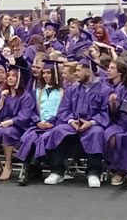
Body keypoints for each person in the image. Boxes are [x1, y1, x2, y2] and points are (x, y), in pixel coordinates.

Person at [38, 56, 110, 188]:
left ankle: (93, 173)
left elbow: (105, 112)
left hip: (92, 125)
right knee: (58, 131)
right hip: (73, 124)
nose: (75, 73)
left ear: (88, 72)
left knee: (97, 133)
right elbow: (64, 109)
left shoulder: (104, 90)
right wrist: (71, 121)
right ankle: (57, 171)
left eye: (78, 70)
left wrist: (91, 123)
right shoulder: (72, 89)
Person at [16, 60, 63, 186]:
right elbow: (31, 110)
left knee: (42, 138)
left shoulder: (63, 92)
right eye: (44, 73)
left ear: (55, 74)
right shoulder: (37, 91)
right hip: (38, 125)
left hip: (55, 126)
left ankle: (30, 170)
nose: (46, 75)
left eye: (49, 73)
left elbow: (65, 110)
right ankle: (31, 169)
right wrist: (37, 122)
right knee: (29, 137)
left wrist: (53, 122)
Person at [0, 65, 33, 180]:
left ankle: (8, 165)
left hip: (17, 126)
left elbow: (25, 115)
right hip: (0, 124)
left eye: (14, 76)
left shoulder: (26, 96)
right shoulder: (2, 93)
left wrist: (11, 121)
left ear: (19, 79)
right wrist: (2, 98)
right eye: (9, 76)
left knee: (7, 132)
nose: (10, 78)